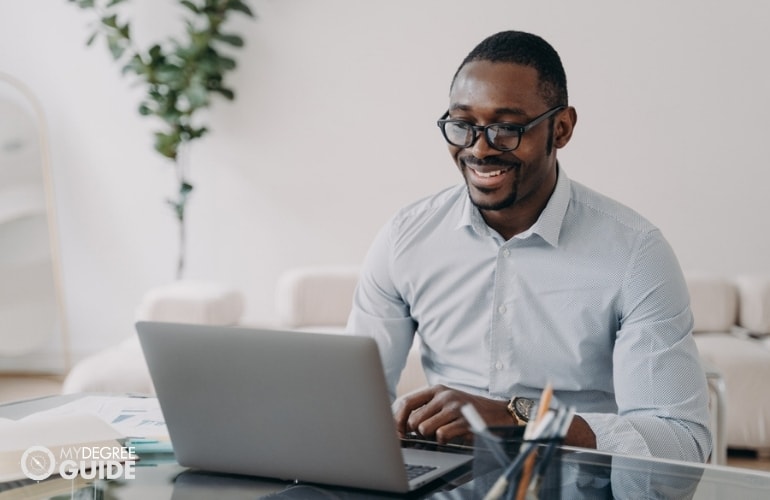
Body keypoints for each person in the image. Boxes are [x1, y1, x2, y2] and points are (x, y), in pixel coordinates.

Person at [346, 30, 712, 462]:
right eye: (463, 125)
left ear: (561, 128)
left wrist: (520, 419)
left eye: (507, 128)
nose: (480, 149)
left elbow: (681, 445)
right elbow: (352, 400)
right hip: (444, 481)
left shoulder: (636, 254)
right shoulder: (405, 237)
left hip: (574, 482)